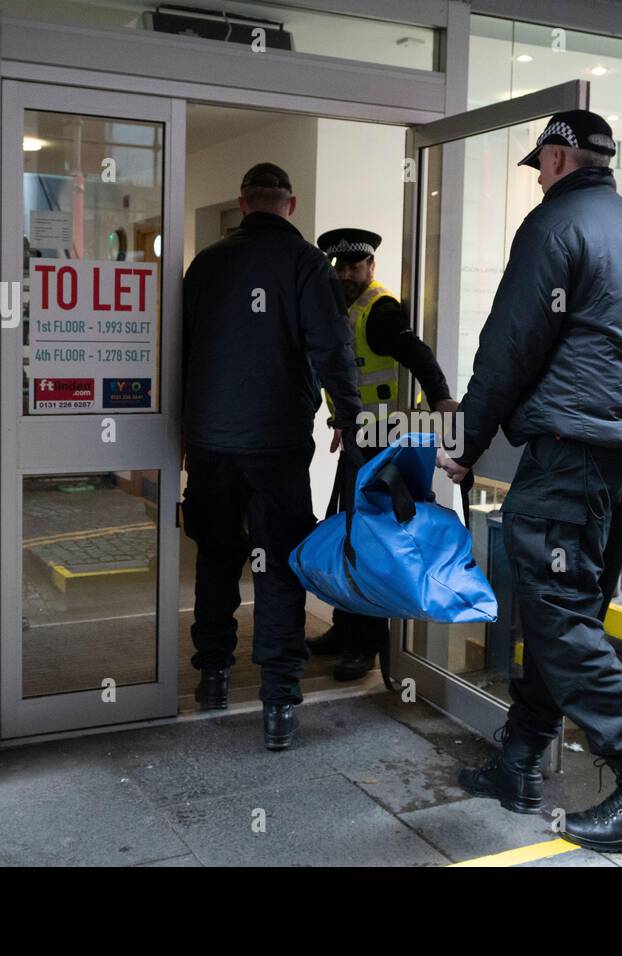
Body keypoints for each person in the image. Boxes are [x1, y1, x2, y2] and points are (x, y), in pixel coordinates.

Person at [437, 111, 622, 854]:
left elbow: (511, 343)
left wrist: (466, 441)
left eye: (540, 164)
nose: (538, 177)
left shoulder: (554, 225)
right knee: (569, 603)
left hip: (575, 444)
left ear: (556, 157)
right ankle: (519, 760)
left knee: (553, 606)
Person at [181, 162, 361, 751]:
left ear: (242, 202)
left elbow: (180, 352)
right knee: (278, 564)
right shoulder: (306, 263)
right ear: (291, 204)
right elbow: (331, 349)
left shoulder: (207, 263)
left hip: (210, 441)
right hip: (277, 443)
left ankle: (212, 674)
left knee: (216, 554)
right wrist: (350, 418)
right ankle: (279, 703)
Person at [306, 227, 457, 683]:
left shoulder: (380, 310)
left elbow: (419, 356)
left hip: (383, 445)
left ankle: (365, 645)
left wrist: (443, 401)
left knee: (371, 543)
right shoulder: (343, 310)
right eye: (340, 267)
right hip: (358, 441)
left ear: (371, 267)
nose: (347, 274)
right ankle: (345, 627)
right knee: (350, 533)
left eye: (354, 266)